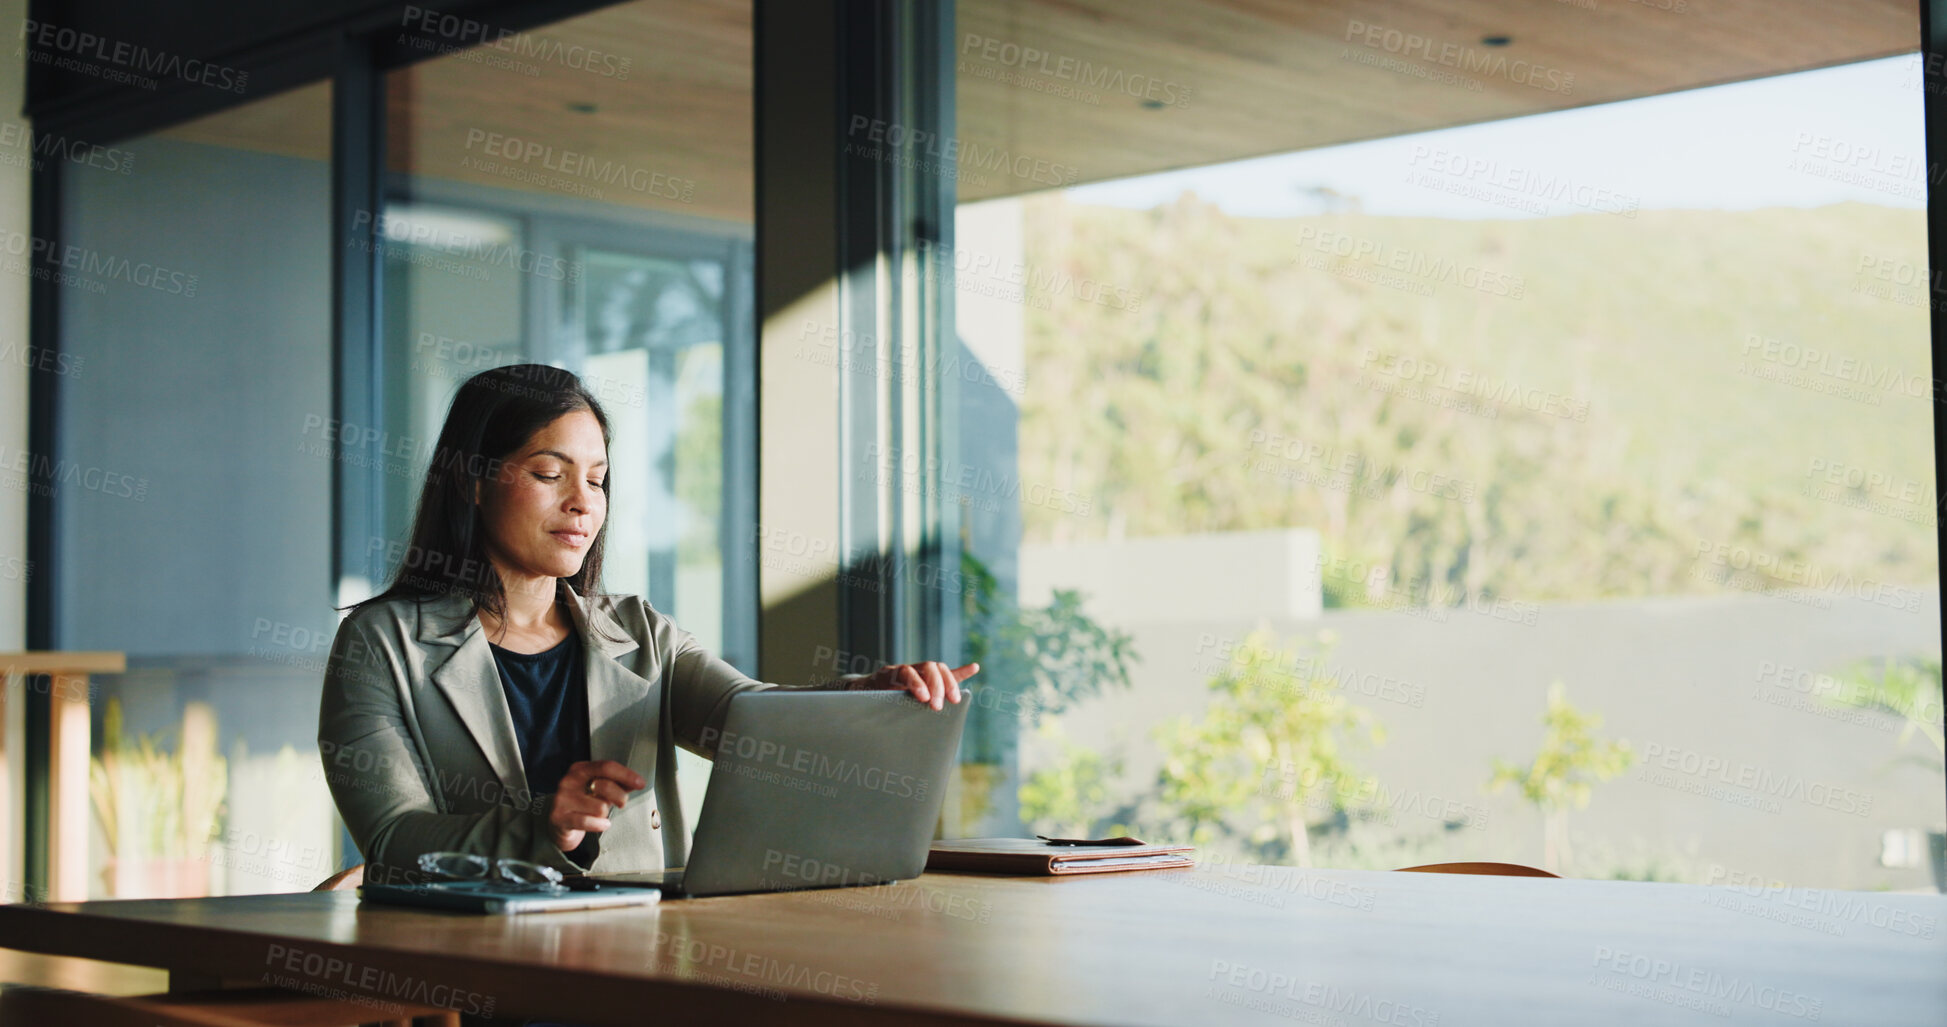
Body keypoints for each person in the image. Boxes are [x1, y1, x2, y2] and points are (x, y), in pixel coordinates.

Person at [317, 363, 975, 886]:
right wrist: (540, 824)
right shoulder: (382, 643)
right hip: (477, 979)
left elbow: (750, 718)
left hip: (638, 960)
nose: (581, 502)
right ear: (473, 483)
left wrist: (873, 696)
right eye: (549, 473)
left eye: (598, 480)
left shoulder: (638, 631)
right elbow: (393, 840)